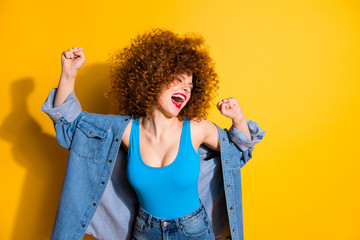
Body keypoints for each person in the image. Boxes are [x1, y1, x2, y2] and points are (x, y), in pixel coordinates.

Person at [42, 29, 265, 240]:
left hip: (193, 230)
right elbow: (70, 124)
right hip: (145, 230)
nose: (186, 88)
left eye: (190, 85)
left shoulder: (197, 129)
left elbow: (239, 151)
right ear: (153, 78)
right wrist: (69, 73)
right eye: (178, 80)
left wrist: (238, 118)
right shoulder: (126, 131)